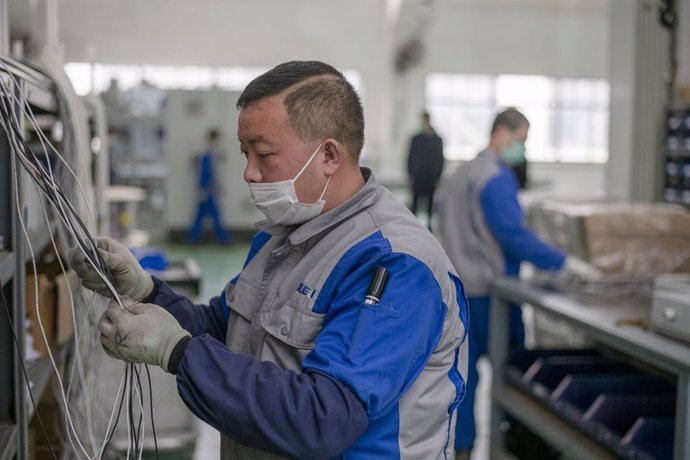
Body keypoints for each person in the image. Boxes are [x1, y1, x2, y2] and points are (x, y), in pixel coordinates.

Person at [70, 61, 469, 459]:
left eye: (263, 154)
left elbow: (323, 419)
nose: (249, 173)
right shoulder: (281, 235)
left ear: (329, 155)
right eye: (245, 154)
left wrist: (176, 352)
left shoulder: (393, 264)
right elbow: (224, 330)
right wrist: (146, 290)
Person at [434, 107, 600, 460]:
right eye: (521, 140)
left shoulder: (460, 173)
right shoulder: (495, 177)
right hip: (491, 294)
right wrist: (563, 262)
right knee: (515, 374)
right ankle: (511, 443)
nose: (521, 149)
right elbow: (513, 236)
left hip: (457, 290)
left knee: (462, 376)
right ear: (503, 134)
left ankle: (461, 448)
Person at [186, 129, 231, 244]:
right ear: (213, 138)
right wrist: (207, 188)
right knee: (214, 215)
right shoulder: (207, 154)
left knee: (200, 215)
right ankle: (223, 239)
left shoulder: (207, 152)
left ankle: (192, 238)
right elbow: (206, 173)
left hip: (206, 189)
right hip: (207, 190)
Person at [407, 111, 444, 230]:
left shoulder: (437, 140)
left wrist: (437, 176)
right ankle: (412, 228)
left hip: (431, 179)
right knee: (415, 205)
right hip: (418, 178)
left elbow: (440, 159)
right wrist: (410, 175)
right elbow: (410, 157)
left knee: (429, 207)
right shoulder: (416, 139)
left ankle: (429, 229)